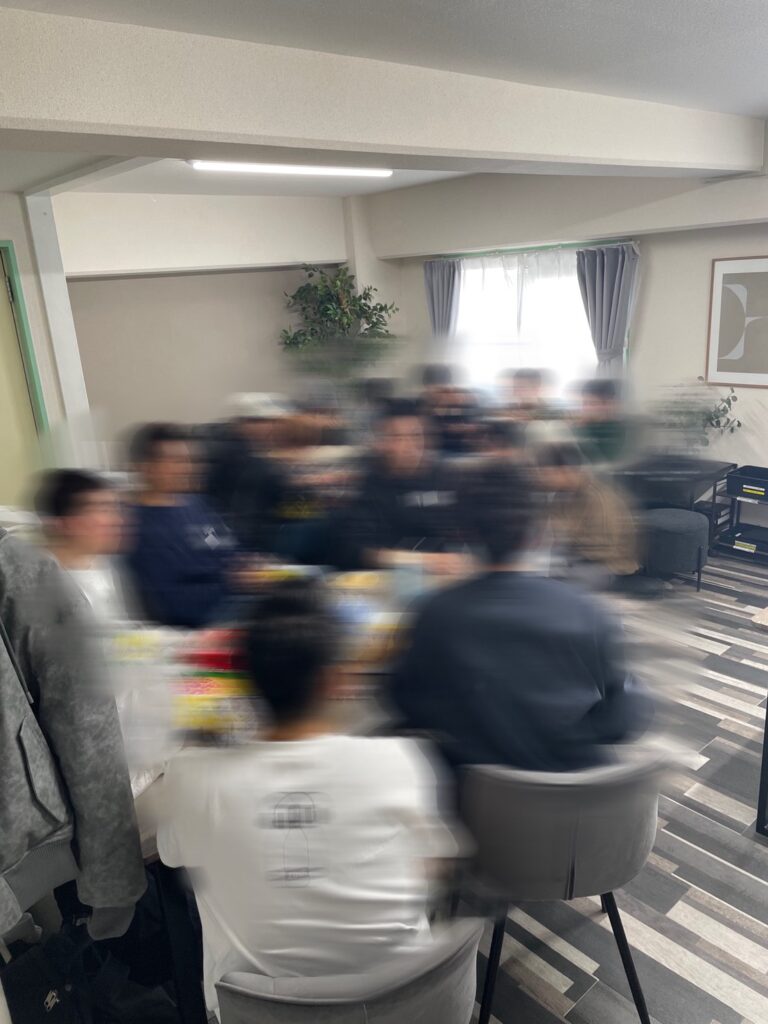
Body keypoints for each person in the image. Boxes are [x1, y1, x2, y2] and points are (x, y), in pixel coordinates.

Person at [158, 580, 458, 1018]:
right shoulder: (403, 761)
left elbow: (170, 854)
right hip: (406, 1008)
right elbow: (435, 869)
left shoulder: (192, 781)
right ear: (335, 679)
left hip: (262, 1013)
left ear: (245, 683)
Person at [389, 460, 652, 771]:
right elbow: (623, 720)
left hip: (472, 788)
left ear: (462, 533)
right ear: (538, 533)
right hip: (577, 790)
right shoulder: (589, 612)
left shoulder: (436, 613)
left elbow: (406, 701)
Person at [125, 423, 241, 628]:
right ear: (144, 467)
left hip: (232, 601)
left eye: (191, 461)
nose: (188, 469)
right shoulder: (135, 524)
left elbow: (226, 547)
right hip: (199, 622)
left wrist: (248, 566)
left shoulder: (197, 504)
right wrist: (231, 581)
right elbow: (169, 601)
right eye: (177, 461)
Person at [340, 398, 462, 570]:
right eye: (397, 437)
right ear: (381, 443)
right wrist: (424, 561)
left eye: (416, 436)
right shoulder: (368, 486)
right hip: (391, 576)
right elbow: (357, 551)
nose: (409, 445)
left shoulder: (447, 478)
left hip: (450, 574)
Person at [538, 442, 640, 580]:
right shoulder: (561, 495)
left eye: (547, 474)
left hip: (609, 568)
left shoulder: (597, 498)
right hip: (576, 562)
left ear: (564, 470)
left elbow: (605, 548)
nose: (543, 479)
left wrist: (565, 534)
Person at [573, 378, 633, 465]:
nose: (585, 409)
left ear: (609, 404)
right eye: (584, 403)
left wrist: (579, 431)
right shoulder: (588, 425)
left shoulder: (620, 431)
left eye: (592, 403)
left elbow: (600, 462)